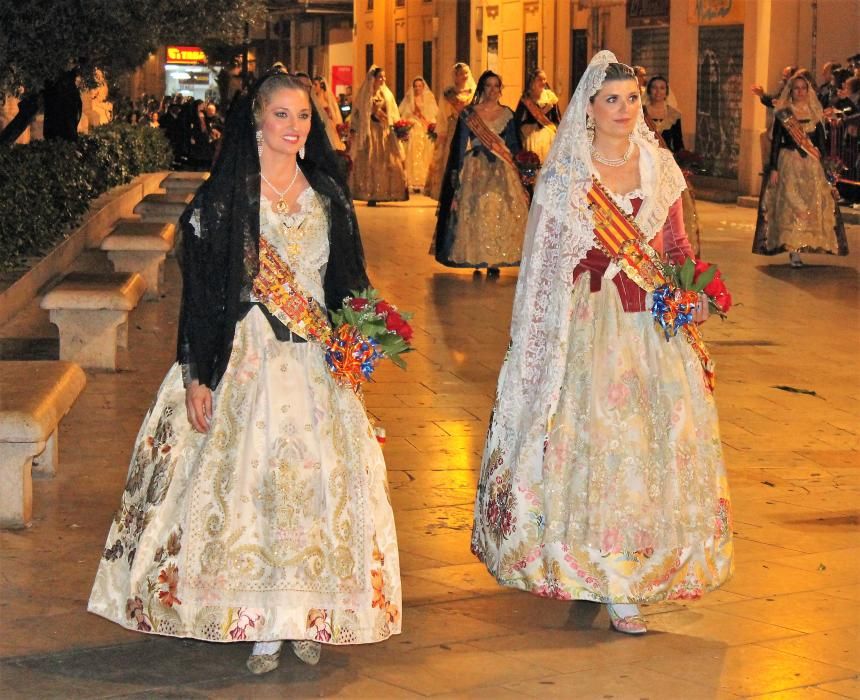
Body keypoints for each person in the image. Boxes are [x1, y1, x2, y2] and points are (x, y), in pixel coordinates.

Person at [88, 69, 402, 674]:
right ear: (257, 120)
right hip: (246, 357)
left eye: (303, 116)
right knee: (251, 489)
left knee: (316, 488)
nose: (294, 126)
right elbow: (202, 295)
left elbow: (348, 282)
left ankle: (308, 614)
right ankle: (260, 616)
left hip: (313, 363)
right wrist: (199, 375)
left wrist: (362, 341)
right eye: (282, 115)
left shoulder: (328, 196)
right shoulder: (224, 198)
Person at [471, 52, 733, 634]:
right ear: (587, 108)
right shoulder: (568, 171)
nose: (623, 109)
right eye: (610, 100)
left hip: (651, 328)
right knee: (594, 444)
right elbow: (545, 262)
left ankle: (636, 572)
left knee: (650, 444)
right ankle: (596, 567)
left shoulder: (659, 166)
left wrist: (694, 292)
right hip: (589, 324)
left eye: (632, 99)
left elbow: (677, 248)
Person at [434, 70, 529, 276]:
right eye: (489, 86)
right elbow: (459, 145)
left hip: (502, 169)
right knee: (476, 209)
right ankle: (478, 258)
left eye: (496, 86)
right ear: (482, 88)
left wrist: (522, 168)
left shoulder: (508, 114)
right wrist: (456, 172)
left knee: (499, 208)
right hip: (476, 167)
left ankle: (494, 259)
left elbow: (513, 145)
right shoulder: (470, 114)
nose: (493, 90)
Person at [753, 70, 848, 266]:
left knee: (811, 204)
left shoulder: (815, 112)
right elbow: (777, 142)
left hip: (812, 166)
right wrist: (773, 168)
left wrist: (826, 168)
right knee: (792, 204)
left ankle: (806, 242)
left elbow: (821, 144)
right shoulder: (784, 114)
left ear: (808, 90)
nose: (800, 92)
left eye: (803, 88)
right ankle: (793, 249)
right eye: (796, 88)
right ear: (791, 91)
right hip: (789, 163)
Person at [349, 66, 408, 205]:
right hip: (370, 131)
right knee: (370, 160)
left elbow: (393, 113)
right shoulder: (364, 95)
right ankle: (370, 193)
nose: (383, 80)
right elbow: (357, 114)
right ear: (373, 79)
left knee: (388, 161)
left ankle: (387, 192)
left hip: (384, 132)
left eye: (384, 77)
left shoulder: (387, 95)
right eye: (380, 77)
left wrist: (398, 127)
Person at [425, 62, 476, 199]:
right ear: (455, 76)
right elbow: (442, 114)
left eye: (465, 73)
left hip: (470, 127)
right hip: (453, 127)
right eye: (460, 74)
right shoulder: (448, 93)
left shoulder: (474, 92)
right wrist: (442, 132)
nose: (463, 76)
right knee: (451, 156)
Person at [398, 76, 439, 192]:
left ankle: (424, 180)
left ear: (423, 87)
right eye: (415, 86)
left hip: (424, 127)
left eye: (419, 86)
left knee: (426, 152)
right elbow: (404, 114)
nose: (417, 88)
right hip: (413, 127)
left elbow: (433, 115)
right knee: (412, 149)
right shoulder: (409, 99)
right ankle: (412, 180)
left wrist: (426, 122)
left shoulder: (429, 99)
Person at [514, 68, 561, 164]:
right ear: (532, 82)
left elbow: (557, 117)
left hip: (548, 132)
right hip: (531, 133)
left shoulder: (550, 97)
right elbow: (517, 119)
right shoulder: (526, 97)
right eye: (540, 79)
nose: (543, 82)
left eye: (545, 79)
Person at [643, 75, 684, 153]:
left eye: (662, 88)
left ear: (666, 92)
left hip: (667, 158)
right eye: (654, 88)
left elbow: (678, 142)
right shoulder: (641, 112)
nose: (658, 91)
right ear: (648, 90)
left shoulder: (674, 114)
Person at [312, 76, 346, 151]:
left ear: (321, 86)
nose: (313, 87)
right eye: (313, 84)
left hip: (326, 126)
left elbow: (331, 113)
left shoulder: (326, 100)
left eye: (315, 84)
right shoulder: (313, 99)